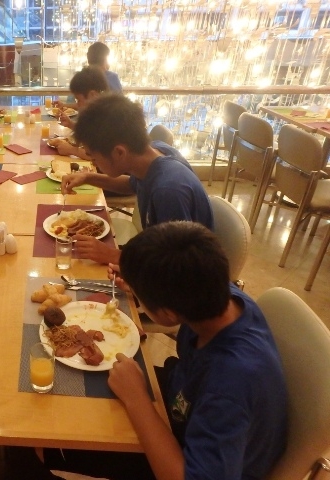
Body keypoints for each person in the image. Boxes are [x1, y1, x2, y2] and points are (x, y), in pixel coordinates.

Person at [44, 221, 288, 480]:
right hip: (182, 403)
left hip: (189, 455)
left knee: (47, 440)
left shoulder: (229, 385)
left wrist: (137, 399)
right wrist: (144, 287)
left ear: (168, 313)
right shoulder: (216, 292)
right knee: (70, 389)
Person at [61, 93, 213, 265]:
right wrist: (88, 177)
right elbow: (131, 184)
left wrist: (113, 255)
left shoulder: (168, 192)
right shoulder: (155, 153)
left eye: (93, 157)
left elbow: (176, 265)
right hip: (157, 252)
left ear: (119, 152)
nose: (93, 162)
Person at [53, 66, 108, 157]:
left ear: (93, 95)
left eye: (78, 100)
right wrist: (71, 124)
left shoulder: (108, 117)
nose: (77, 105)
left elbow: (101, 156)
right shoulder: (99, 111)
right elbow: (91, 136)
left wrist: (72, 150)